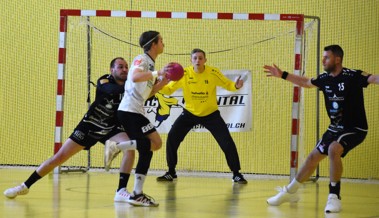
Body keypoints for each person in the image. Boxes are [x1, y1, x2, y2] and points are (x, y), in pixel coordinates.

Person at [263, 45, 379, 213]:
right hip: (334, 128)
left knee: (333, 149)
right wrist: (283, 75)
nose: (323, 60)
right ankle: (290, 192)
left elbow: (374, 79)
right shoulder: (324, 78)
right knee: (312, 158)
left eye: (327, 57)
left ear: (337, 59)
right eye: (323, 57)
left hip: (355, 128)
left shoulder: (352, 76)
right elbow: (305, 82)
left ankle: (334, 196)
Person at [3, 57, 136, 201]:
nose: (124, 70)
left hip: (110, 128)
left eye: (126, 67)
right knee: (59, 157)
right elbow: (113, 90)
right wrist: (136, 84)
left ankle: (121, 190)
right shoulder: (104, 81)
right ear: (112, 70)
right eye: (120, 67)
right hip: (90, 126)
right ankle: (24, 186)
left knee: (130, 148)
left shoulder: (130, 84)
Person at [156, 48, 248, 184]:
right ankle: (171, 172)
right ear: (191, 60)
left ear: (205, 60)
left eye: (200, 58)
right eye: (195, 58)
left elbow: (228, 84)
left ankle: (236, 173)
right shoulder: (185, 74)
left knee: (227, 142)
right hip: (189, 113)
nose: (198, 60)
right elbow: (169, 90)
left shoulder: (213, 72)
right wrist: (159, 84)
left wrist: (236, 85)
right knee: (172, 138)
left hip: (211, 115)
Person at [105, 30, 170, 207]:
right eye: (161, 40)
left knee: (150, 148)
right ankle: (116, 146)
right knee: (155, 143)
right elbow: (134, 76)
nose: (164, 43)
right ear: (154, 44)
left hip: (135, 110)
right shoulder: (141, 59)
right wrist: (158, 72)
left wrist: (162, 83)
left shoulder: (149, 63)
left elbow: (146, 94)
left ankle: (136, 193)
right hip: (129, 111)